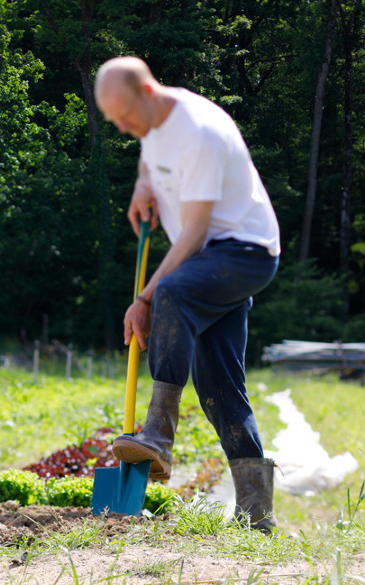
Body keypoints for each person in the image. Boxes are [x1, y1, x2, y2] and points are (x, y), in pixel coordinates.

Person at [94, 56, 281, 532]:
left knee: (171, 292)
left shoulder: (198, 132)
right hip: (212, 260)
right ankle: (257, 516)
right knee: (219, 388)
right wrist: (142, 185)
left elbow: (194, 235)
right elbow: (148, 151)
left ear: (148, 92)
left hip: (243, 252)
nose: (123, 128)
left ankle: (157, 434)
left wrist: (144, 299)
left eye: (124, 117)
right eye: (114, 121)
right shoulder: (154, 121)